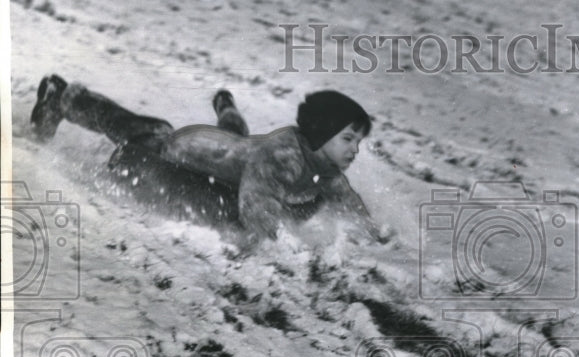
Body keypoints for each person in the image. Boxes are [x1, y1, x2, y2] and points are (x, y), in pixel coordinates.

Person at [30, 75, 379, 243]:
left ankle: (227, 110)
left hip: (212, 157)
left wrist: (373, 231)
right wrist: (279, 245)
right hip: (170, 155)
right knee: (150, 133)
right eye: (348, 139)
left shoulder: (323, 167)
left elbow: (344, 196)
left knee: (233, 143)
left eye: (358, 142)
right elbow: (255, 204)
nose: (354, 149)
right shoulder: (284, 156)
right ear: (320, 135)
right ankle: (63, 99)